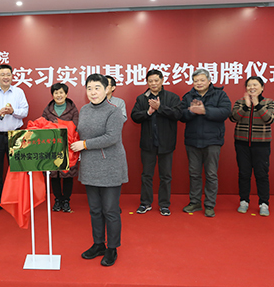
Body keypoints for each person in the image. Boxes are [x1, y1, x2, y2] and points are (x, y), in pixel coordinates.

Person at [71, 74, 128, 267]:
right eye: (89, 88)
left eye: (97, 88)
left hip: (111, 166)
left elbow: (111, 137)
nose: (93, 92)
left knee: (110, 210)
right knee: (95, 210)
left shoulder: (114, 111)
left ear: (107, 89)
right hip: (90, 166)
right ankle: (98, 244)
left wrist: (85, 144)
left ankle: (112, 248)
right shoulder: (84, 110)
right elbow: (79, 133)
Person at [180, 68, 231, 217]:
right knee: (194, 174)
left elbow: (225, 112)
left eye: (202, 80)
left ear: (209, 81)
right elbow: (180, 115)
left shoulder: (220, 94)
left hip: (212, 141)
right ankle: (195, 202)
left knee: (211, 174)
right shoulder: (188, 96)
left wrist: (205, 111)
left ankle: (209, 205)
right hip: (192, 141)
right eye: (196, 81)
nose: (199, 83)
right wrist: (191, 111)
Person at [130, 69, 182, 216]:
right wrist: (148, 113)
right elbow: (134, 116)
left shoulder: (172, 97)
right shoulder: (142, 98)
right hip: (148, 144)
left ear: (162, 80)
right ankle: (145, 203)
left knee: (166, 176)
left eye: (156, 80)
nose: (153, 83)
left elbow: (178, 114)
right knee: (146, 175)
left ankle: (164, 204)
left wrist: (160, 108)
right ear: (147, 82)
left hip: (166, 143)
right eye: (150, 81)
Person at [0, 64, 29, 214]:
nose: (5, 77)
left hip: (15, 136)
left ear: (12, 76)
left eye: (8, 74)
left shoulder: (18, 92)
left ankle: (16, 201)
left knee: (16, 171)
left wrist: (13, 111)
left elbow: (25, 111)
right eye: (2, 74)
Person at [229, 76, 274, 216]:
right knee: (244, 173)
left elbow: (270, 119)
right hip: (241, 143)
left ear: (262, 88)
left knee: (261, 174)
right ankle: (244, 201)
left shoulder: (269, 102)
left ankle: (264, 203)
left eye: (255, 85)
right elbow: (233, 118)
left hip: (261, 144)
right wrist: (246, 106)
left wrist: (257, 104)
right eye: (249, 85)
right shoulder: (240, 102)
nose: (252, 87)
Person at [41, 82, 79, 213]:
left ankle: (66, 200)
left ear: (66, 94)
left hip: (68, 147)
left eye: (61, 92)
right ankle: (57, 200)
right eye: (56, 92)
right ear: (52, 95)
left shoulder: (73, 109)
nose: (59, 95)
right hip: (52, 147)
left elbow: (76, 126)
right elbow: (43, 126)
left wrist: (58, 125)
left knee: (68, 175)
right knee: (54, 175)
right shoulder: (48, 110)